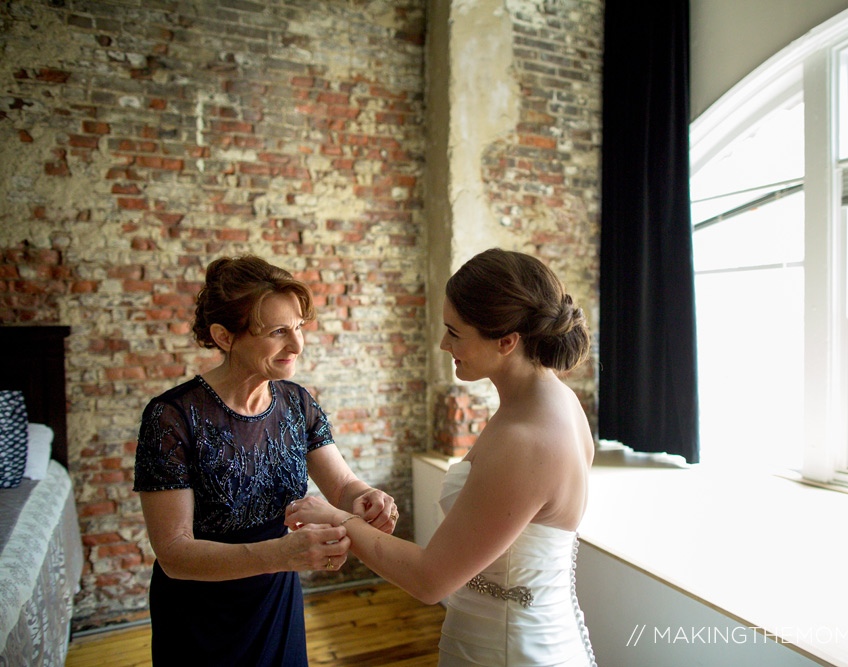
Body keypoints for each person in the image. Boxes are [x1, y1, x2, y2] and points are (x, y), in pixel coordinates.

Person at [286, 248, 598, 666]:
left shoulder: (528, 440)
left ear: (506, 341)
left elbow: (429, 580)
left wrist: (336, 518)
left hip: (508, 650)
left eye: (454, 332)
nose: (442, 343)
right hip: (518, 631)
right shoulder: (556, 402)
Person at [134, 255, 398, 666]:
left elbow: (343, 485)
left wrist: (368, 497)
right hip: (200, 612)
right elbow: (174, 553)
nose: (296, 345)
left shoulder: (296, 403)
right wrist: (281, 555)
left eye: (298, 328)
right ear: (224, 337)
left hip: (276, 599)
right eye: (278, 332)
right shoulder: (171, 417)